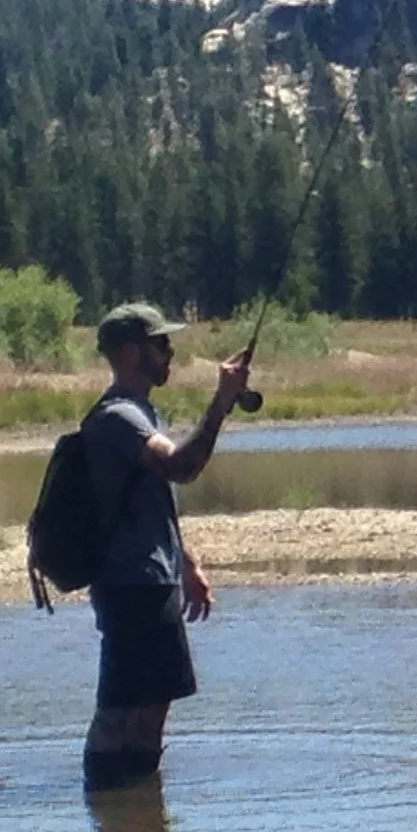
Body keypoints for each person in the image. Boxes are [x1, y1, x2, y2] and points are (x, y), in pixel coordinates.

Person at [79, 303, 252, 791]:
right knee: (122, 711)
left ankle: (136, 826)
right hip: (130, 583)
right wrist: (221, 403)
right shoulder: (119, 417)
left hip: (151, 579)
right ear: (133, 352)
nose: (170, 351)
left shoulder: (142, 413)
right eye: (161, 343)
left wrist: (187, 565)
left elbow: (157, 499)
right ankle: (112, 802)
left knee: (151, 706)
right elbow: (180, 467)